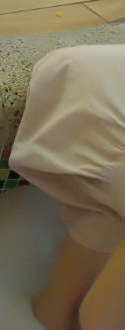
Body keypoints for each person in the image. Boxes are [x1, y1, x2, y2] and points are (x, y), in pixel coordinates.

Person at [10, 45, 125, 330]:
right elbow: (101, 317)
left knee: (57, 309)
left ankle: (53, 310)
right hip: (90, 93)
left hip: (93, 82)